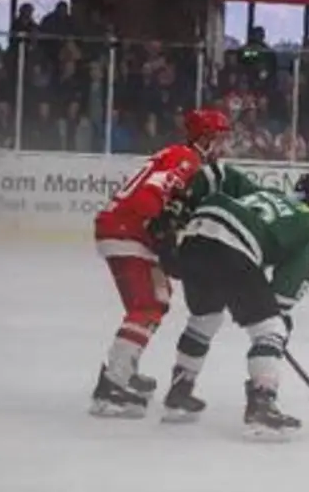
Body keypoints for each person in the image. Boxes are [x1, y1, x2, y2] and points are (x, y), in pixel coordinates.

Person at [89, 108, 259, 418]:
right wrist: (163, 237)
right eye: (219, 138)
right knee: (148, 305)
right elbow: (150, 196)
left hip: (127, 231)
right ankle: (111, 385)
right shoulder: (186, 158)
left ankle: (124, 367)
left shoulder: (182, 157)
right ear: (205, 138)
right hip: (129, 232)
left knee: (158, 298)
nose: (223, 145)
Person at [163, 174, 309, 437]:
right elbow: (289, 283)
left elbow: (222, 173)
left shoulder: (268, 194)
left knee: (205, 317)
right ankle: (262, 405)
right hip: (233, 246)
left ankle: (179, 391)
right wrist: (277, 314)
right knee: (270, 329)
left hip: (195, 236)